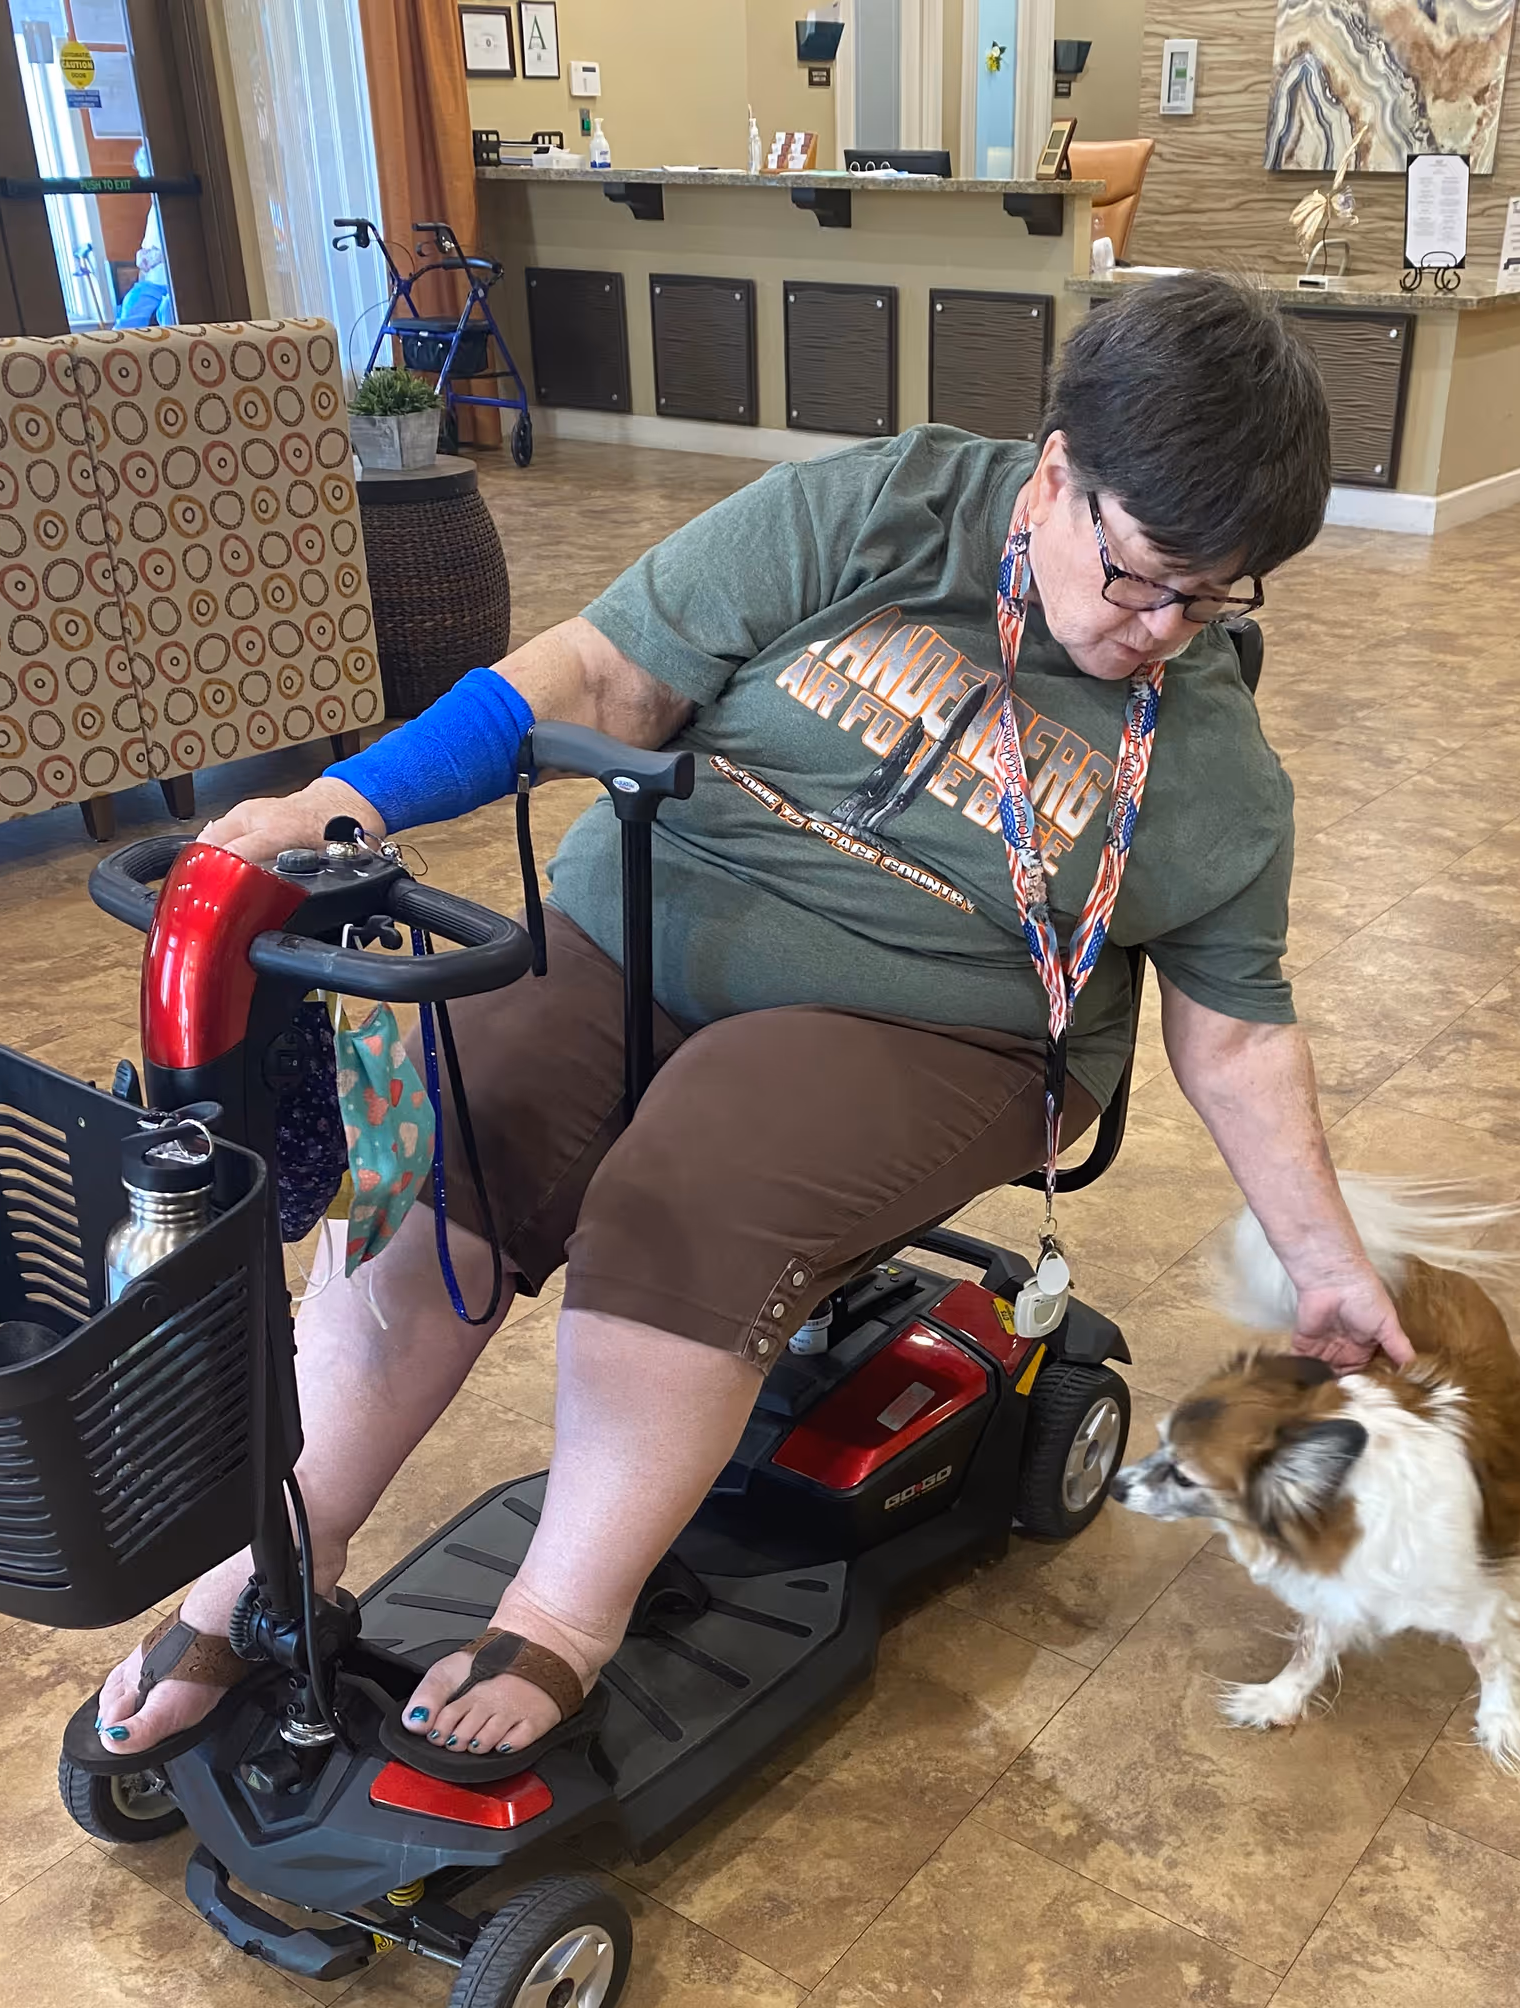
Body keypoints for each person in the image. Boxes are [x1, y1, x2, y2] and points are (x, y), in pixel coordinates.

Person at [94, 273, 1411, 1761]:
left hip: (948, 1025)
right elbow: (600, 672)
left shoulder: (1216, 769)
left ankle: (565, 1616)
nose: (1163, 629)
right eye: (1142, 574)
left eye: (1216, 596)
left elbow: (1233, 1032)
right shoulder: (878, 511)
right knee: (459, 1106)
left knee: (700, 1173)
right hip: (652, 906)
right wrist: (345, 803)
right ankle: (265, 1572)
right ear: (1056, 474)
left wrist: (1329, 1269)